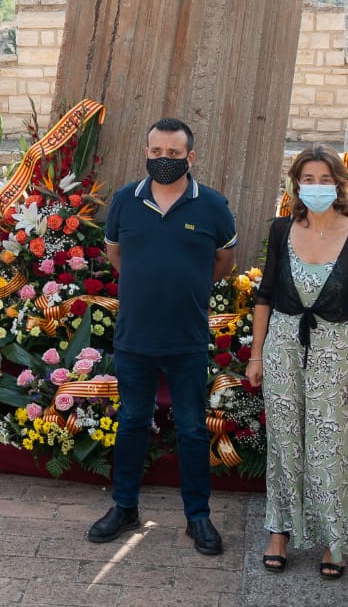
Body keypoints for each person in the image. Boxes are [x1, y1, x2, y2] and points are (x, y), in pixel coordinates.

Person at [89, 119, 237, 557]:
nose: (164, 160)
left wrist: (188, 286)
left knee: (191, 428)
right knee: (133, 422)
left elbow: (224, 262)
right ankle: (124, 507)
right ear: (146, 152)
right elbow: (116, 255)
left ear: (190, 157)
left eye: (173, 154)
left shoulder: (212, 205)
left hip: (186, 339)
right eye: (156, 152)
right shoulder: (125, 201)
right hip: (135, 337)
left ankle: (198, 516)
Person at [247, 147, 348, 579]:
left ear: (339, 184)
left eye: (325, 179)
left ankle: (332, 538)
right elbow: (264, 296)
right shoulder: (282, 229)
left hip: (336, 352)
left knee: (331, 447)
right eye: (308, 179)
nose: (317, 186)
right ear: (296, 185)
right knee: (284, 442)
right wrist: (256, 354)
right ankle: (279, 531)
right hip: (283, 346)